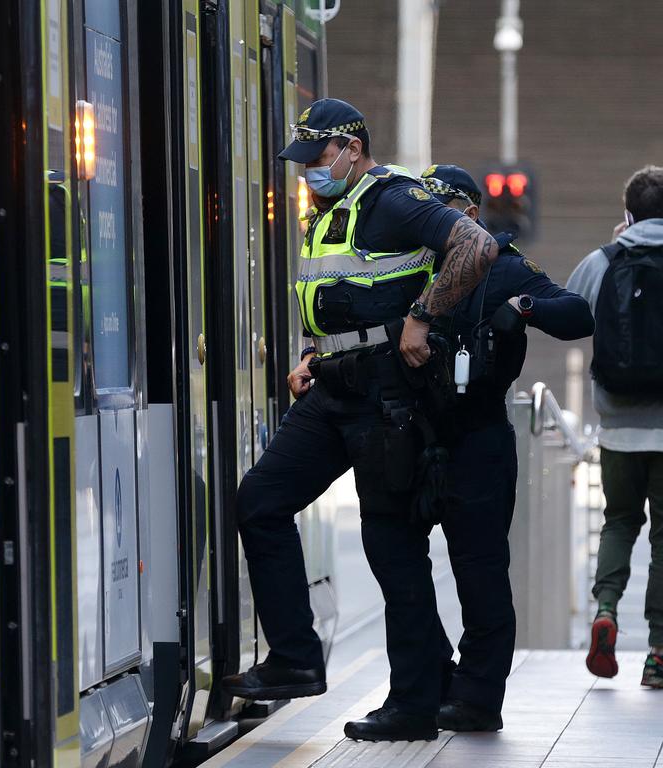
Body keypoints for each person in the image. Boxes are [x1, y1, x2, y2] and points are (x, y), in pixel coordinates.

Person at [220, 98, 502, 742]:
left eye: (318, 160)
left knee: (391, 545)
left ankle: (413, 705)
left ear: (352, 149)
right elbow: (341, 295)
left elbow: (476, 245)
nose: (309, 174)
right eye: (304, 164)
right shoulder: (331, 211)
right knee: (260, 501)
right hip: (334, 384)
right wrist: (311, 355)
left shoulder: (394, 199)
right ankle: (294, 657)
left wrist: (422, 316)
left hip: (388, 392)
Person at [417, 165, 594, 731]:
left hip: (477, 436)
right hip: (410, 436)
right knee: (398, 564)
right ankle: (430, 677)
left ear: (469, 215)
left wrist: (522, 309)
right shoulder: (404, 264)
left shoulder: (501, 264)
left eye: (446, 212)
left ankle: (476, 696)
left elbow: (576, 314)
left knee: (480, 570)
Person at [567, 165, 663, 689]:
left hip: (619, 427)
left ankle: (606, 608)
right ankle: (659, 654)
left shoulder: (605, 260)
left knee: (620, 521)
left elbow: (569, 316)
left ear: (628, 214)